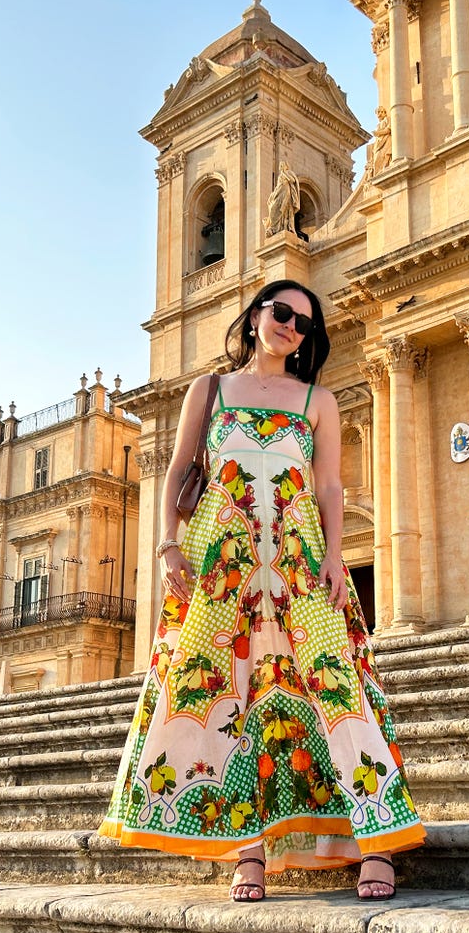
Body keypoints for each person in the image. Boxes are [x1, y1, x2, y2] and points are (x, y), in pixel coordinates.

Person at [98, 280, 425, 901]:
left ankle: (374, 842)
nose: (290, 328)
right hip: (221, 563)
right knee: (226, 696)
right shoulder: (210, 390)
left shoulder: (317, 400)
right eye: (281, 314)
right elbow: (178, 469)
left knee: (336, 684)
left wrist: (334, 554)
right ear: (253, 318)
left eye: (304, 324)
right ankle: (248, 854)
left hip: (300, 559)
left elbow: (330, 487)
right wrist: (167, 545)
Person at [265, 162, 301, 237]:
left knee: (283, 209)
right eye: (280, 165)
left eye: (282, 165)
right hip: (279, 192)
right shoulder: (280, 175)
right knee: (273, 208)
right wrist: (273, 194)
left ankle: (280, 228)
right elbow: (278, 186)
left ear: (286, 166)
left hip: (286, 192)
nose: (280, 167)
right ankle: (275, 228)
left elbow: (293, 181)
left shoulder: (288, 172)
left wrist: (284, 173)